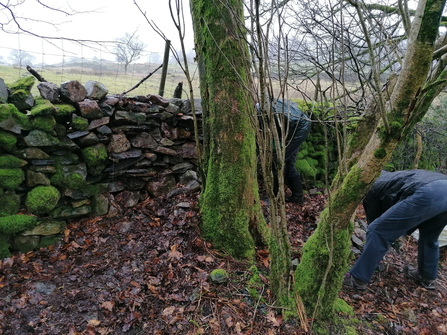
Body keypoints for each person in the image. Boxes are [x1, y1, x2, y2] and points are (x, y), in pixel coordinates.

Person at [343, 169, 447, 291]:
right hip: (442, 188)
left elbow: (376, 222)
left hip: (428, 193)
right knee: (430, 237)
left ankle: (357, 278)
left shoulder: (373, 186)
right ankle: (427, 277)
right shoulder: (394, 177)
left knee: (378, 230)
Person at [257, 99, 311, 203]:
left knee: (276, 161)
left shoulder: (265, 113)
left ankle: (274, 197)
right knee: (288, 165)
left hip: (298, 128)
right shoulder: (265, 106)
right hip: (296, 126)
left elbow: (275, 133)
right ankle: (298, 197)